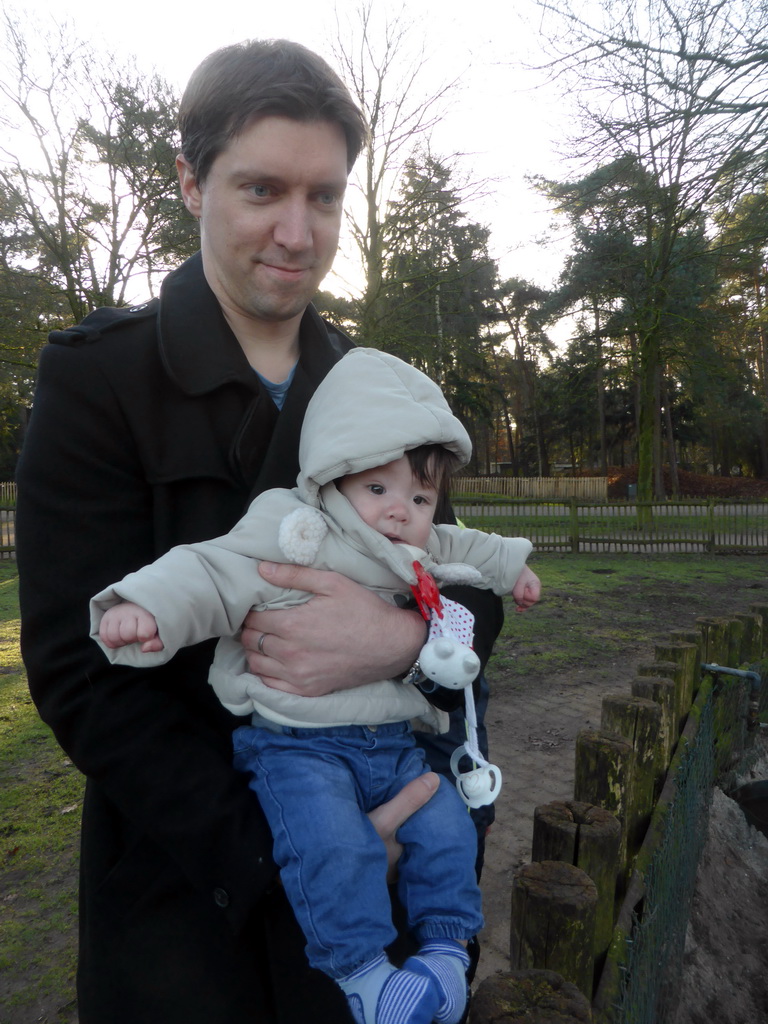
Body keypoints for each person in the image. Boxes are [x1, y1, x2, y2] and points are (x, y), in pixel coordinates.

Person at [15, 38, 537, 1024]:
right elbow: (79, 670)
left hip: (377, 881)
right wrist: (284, 851)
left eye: (326, 197)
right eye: (262, 190)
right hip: (189, 903)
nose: (297, 232)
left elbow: (458, 579)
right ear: (190, 181)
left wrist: (403, 637)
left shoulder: (376, 387)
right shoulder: (98, 381)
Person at [89, 347, 536, 1024]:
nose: (399, 511)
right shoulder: (292, 528)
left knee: (448, 824)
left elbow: (470, 551)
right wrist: (147, 608)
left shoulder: (422, 545)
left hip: (392, 744)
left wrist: (515, 569)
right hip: (298, 747)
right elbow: (211, 571)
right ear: (332, 477)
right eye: (378, 489)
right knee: (335, 842)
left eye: (419, 495)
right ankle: (362, 975)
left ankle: (445, 948)